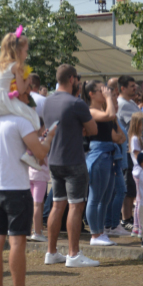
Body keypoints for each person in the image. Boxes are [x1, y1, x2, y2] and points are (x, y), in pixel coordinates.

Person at [0, 89, 56, 286]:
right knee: (16, 242)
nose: (27, 101)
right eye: (24, 97)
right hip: (16, 188)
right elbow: (41, 153)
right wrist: (50, 137)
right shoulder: (20, 122)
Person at [42, 64, 98, 268]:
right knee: (75, 206)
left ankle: (51, 251)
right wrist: (81, 127)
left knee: (57, 205)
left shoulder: (47, 102)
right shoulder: (76, 103)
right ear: (72, 79)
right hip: (73, 159)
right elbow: (93, 129)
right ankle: (74, 254)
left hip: (54, 159)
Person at [83, 80, 126, 246]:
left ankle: (100, 232)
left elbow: (119, 137)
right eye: (101, 90)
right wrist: (110, 98)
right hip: (99, 155)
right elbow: (109, 116)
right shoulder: (91, 111)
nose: (105, 92)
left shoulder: (104, 111)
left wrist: (113, 115)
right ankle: (95, 234)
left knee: (105, 198)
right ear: (91, 94)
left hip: (108, 154)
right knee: (95, 198)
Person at [0, 28, 40, 130]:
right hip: (2, 101)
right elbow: (21, 90)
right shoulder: (16, 66)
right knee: (32, 116)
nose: (26, 55)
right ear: (17, 51)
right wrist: (28, 80)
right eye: (25, 51)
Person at [104, 78, 129, 237]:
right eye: (113, 96)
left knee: (116, 192)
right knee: (120, 191)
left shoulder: (115, 118)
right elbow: (120, 138)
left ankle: (111, 224)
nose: (116, 99)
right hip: (114, 160)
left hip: (119, 160)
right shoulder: (110, 118)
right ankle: (112, 224)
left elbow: (122, 138)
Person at [118, 76, 141, 231]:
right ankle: (125, 218)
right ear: (122, 88)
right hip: (127, 150)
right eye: (132, 86)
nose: (135, 88)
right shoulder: (121, 105)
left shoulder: (131, 102)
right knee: (128, 185)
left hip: (134, 148)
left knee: (133, 185)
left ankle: (129, 216)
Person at [28, 122, 50, 242]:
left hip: (30, 174)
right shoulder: (42, 141)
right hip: (40, 175)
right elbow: (43, 155)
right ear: (41, 127)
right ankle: (37, 232)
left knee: (34, 204)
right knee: (37, 204)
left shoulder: (29, 140)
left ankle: (34, 229)